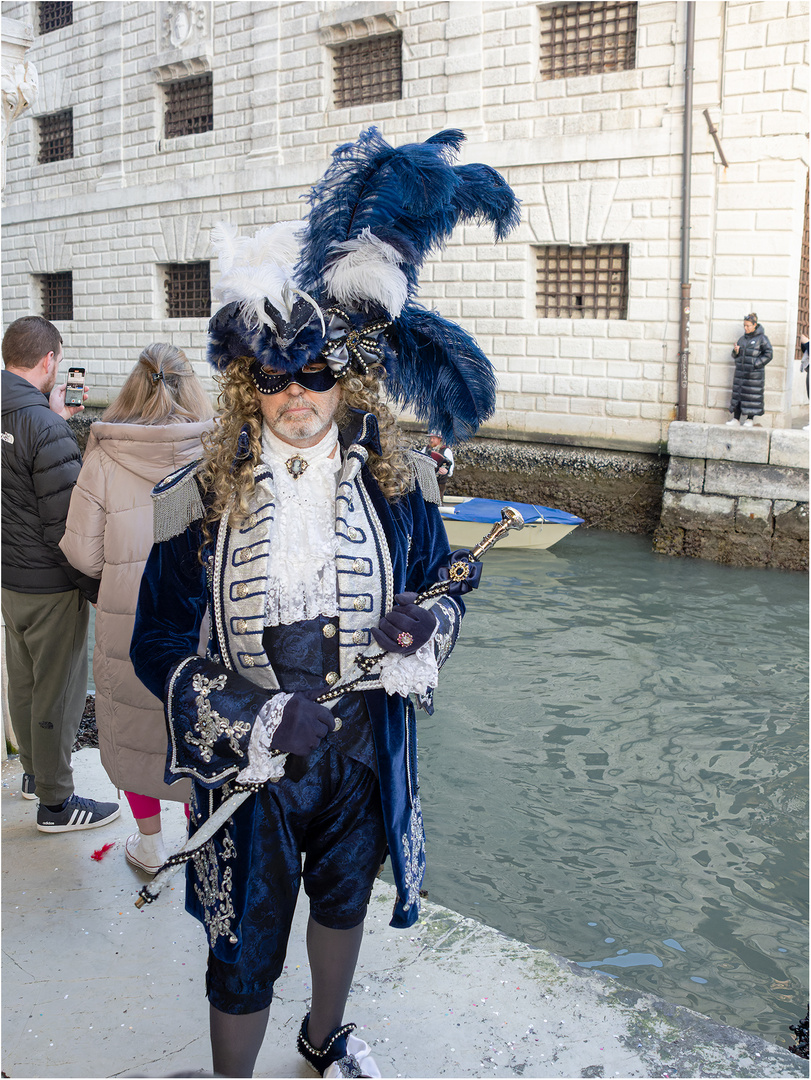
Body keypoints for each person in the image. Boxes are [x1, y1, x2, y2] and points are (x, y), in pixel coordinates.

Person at [130, 127, 518, 1078]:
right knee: (244, 939)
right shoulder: (195, 501)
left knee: (344, 897)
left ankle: (323, 1040)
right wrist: (250, 714)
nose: (297, 394)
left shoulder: (400, 487)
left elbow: (442, 588)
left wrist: (426, 622)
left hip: (362, 747)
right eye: (275, 377)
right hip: (255, 762)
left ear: (344, 383)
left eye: (315, 375)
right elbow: (157, 642)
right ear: (247, 388)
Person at [59, 344, 215, 873]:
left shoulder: (104, 456)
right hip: (202, 618)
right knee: (200, 723)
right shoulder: (218, 451)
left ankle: (150, 845)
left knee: (134, 730)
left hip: (127, 618)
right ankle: (206, 842)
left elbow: (83, 552)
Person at [1, 315, 119, 833]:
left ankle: (34, 774)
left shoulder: (26, 415)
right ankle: (56, 803)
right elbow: (67, 524)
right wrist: (95, 588)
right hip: (49, 585)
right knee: (60, 691)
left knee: (24, 682)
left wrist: (53, 416)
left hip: (8, 578)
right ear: (50, 361)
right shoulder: (44, 427)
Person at [726, 312, 773, 427]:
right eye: (744, 326)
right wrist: (735, 352)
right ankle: (736, 419)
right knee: (738, 396)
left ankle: (749, 419)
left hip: (754, 376)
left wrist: (755, 364)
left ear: (755, 325)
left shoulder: (762, 339)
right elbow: (736, 356)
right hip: (740, 374)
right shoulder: (742, 339)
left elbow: (769, 354)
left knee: (752, 397)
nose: (746, 328)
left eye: (748, 326)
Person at [421, 430, 454, 501]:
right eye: (430, 438)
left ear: (440, 439)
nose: (431, 440)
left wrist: (446, 471)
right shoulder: (425, 449)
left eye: (433, 438)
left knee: (437, 501)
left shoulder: (446, 451)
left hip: (439, 482)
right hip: (426, 481)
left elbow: (450, 466)